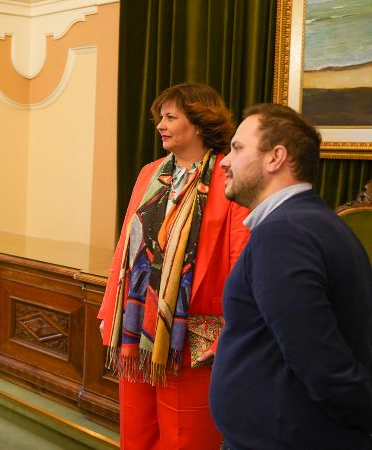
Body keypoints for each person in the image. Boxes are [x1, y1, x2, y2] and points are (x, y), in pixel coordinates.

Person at [210, 104, 372, 449]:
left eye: (237, 148)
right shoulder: (310, 222)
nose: (225, 161)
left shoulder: (284, 235)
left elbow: (324, 366)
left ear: (275, 158)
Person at [97, 82, 250, 449]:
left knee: (186, 436)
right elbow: (126, 245)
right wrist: (109, 307)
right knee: (136, 430)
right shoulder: (149, 172)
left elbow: (241, 262)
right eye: (159, 118)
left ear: (198, 122)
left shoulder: (228, 177)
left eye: (170, 117)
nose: (160, 125)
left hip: (196, 330)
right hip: (137, 325)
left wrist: (232, 329)